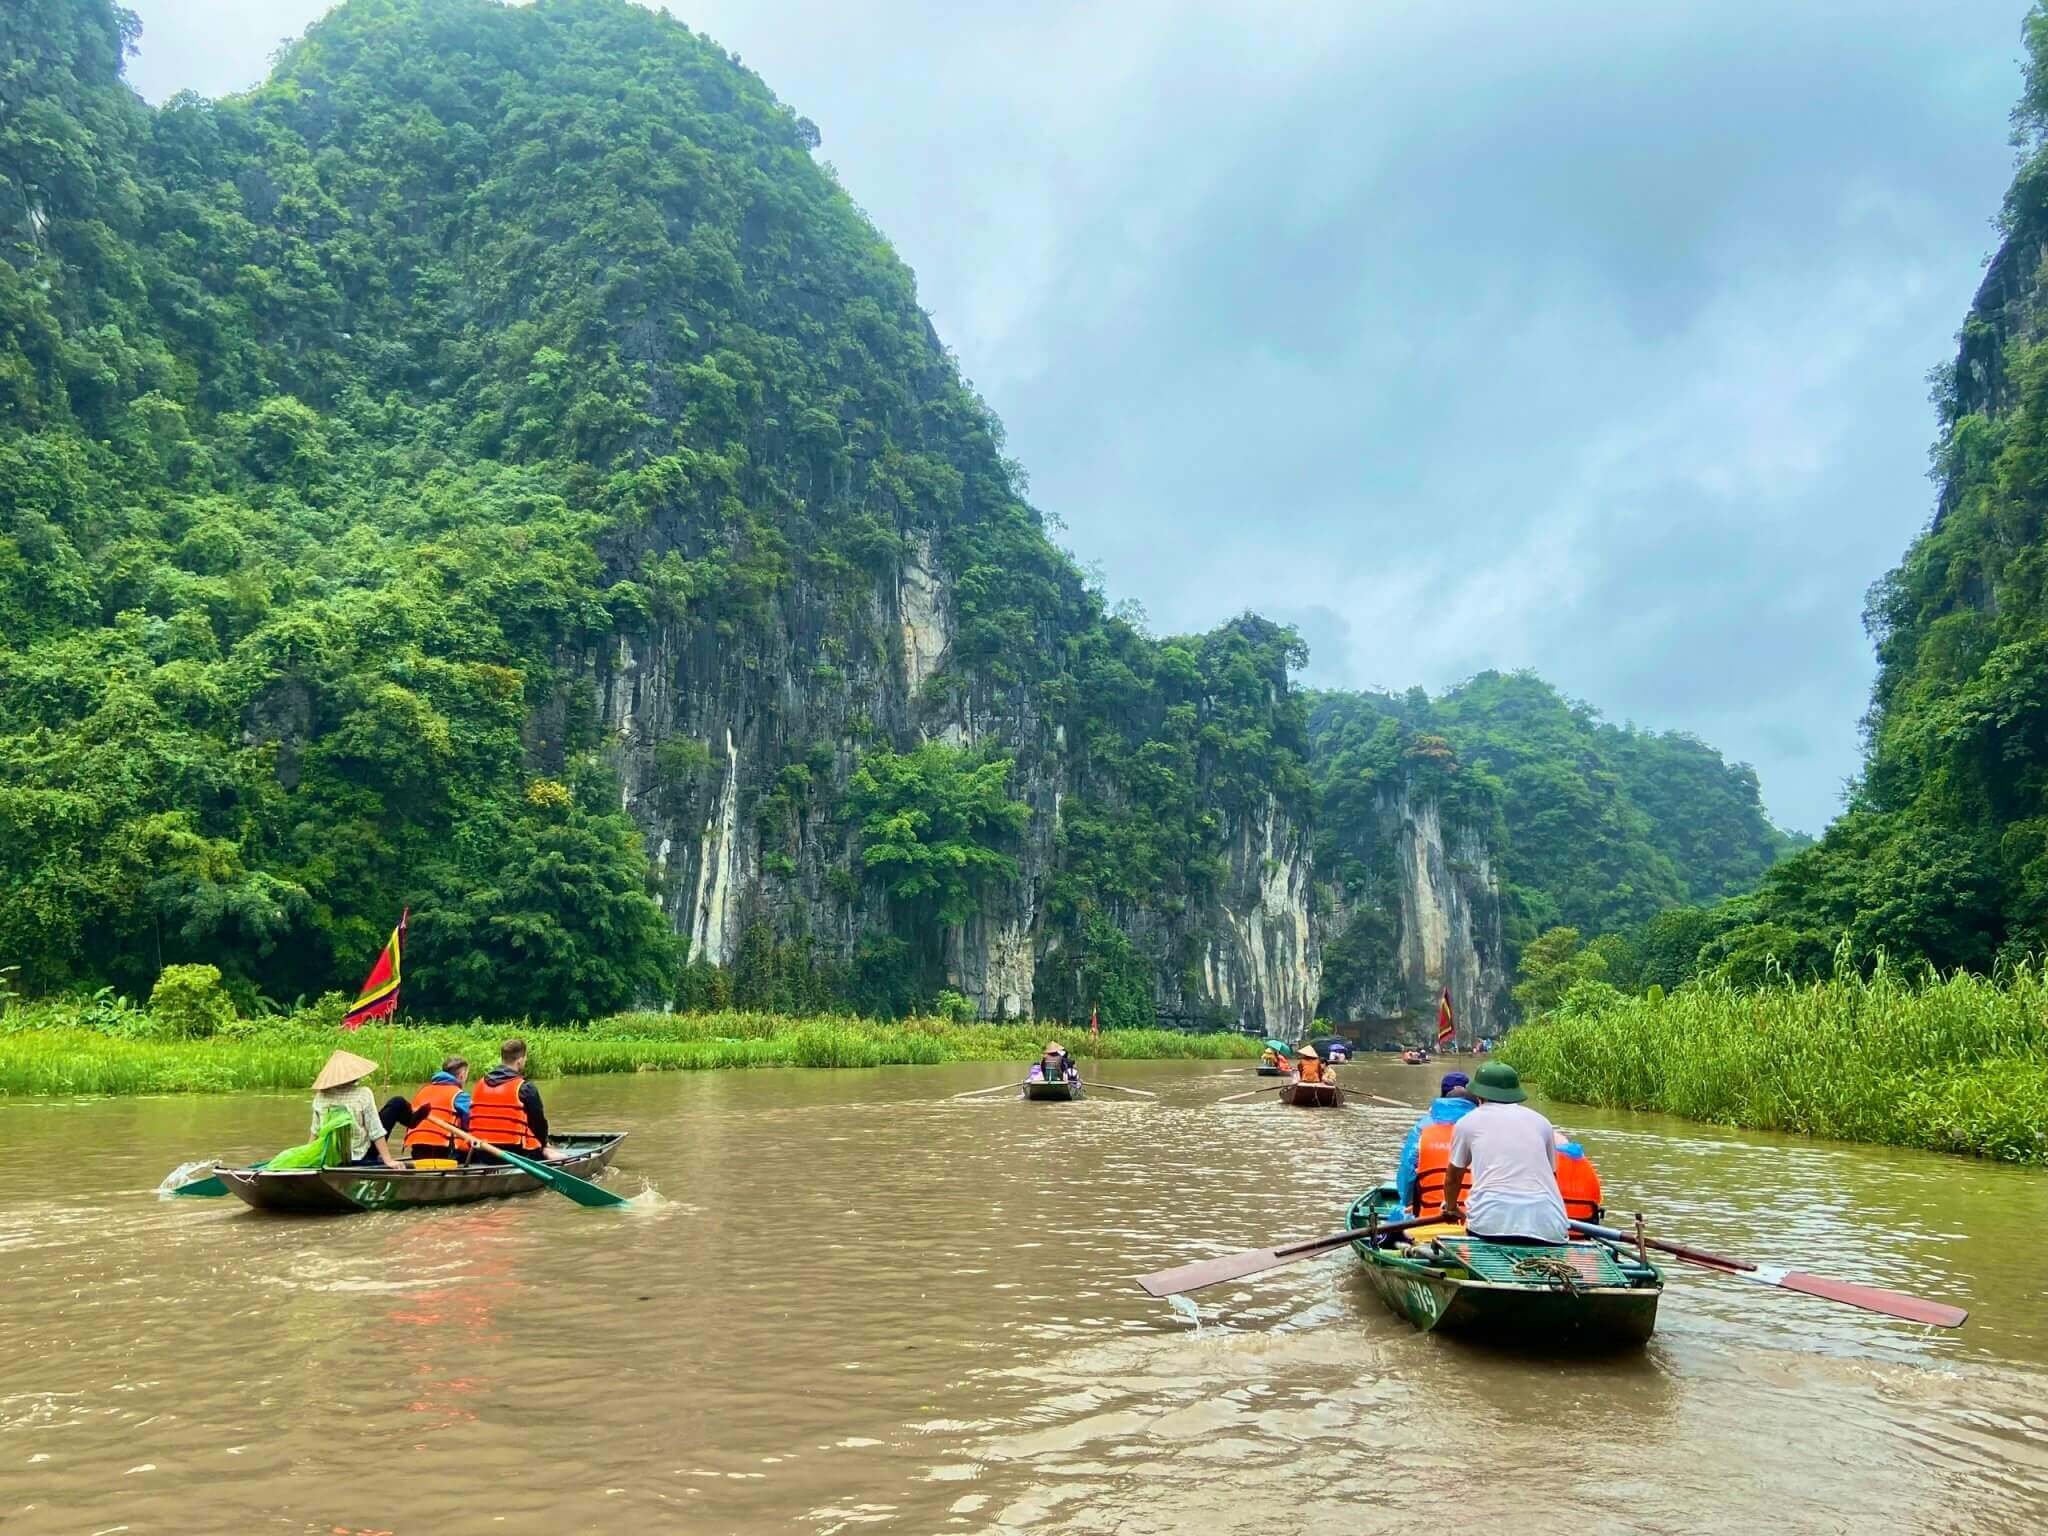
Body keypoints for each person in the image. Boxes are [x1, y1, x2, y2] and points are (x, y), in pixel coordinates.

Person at [1441, 1063, 1569, 1245]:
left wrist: (1451, 1208)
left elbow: (1453, 1177)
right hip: (1550, 1224)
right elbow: (1552, 1175)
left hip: (1490, 1224)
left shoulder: (1467, 1122)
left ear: (1478, 1094)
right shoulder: (1542, 1122)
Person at [309, 1049, 404, 1169]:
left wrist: (310, 1159)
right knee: (397, 1103)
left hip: (329, 1159)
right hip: (359, 1158)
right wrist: (388, 1160)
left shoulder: (320, 1096)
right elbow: (375, 1130)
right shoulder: (362, 1094)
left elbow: (315, 1132)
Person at [1401, 1072, 1477, 1217]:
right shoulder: (1484, 1128)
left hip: (1428, 1216)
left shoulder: (1423, 1128)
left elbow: (1408, 1170)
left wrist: (1407, 1202)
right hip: (1475, 1219)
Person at [468, 1038, 552, 1159]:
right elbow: (538, 1123)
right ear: (520, 1060)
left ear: (502, 1059)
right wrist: (544, 1145)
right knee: (543, 1149)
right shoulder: (525, 1088)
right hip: (514, 1152)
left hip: (481, 1151)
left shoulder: (479, 1084)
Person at [396, 1056, 473, 1160]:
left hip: (417, 1151)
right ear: (462, 1076)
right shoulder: (460, 1096)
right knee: (476, 1152)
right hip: (446, 1153)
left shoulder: (422, 1091)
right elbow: (471, 1124)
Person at [1552, 1129, 1604, 1223]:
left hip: (1553, 1227)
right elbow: (1598, 1200)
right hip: (1586, 1228)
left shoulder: (1547, 1166)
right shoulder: (1587, 1167)